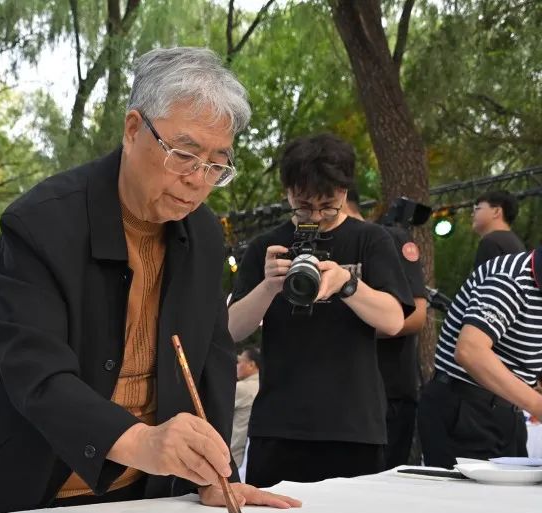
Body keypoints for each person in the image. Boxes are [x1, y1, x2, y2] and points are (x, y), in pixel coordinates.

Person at [0, 47, 300, 513]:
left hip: (136, 505)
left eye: (216, 165)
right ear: (132, 129)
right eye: (184, 155)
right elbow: (36, 374)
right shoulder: (41, 224)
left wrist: (215, 476)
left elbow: (211, 355)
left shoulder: (204, 235)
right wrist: (144, 441)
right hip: (17, 495)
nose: (197, 181)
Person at [228, 133, 414, 486]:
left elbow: (393, 321)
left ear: (344, 192)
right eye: (302, 205)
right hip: (279, 425)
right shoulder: (266, 246)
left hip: (353, 427)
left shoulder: (371, 240)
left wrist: (347, 282)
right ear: (287, 192)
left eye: (328, 205)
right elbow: (230, 330)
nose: (315, 215)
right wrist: (269, 285)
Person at [418, 249, 542, 468]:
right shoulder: (511, 278)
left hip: (508, 412)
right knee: (467, 500)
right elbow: (471, 350)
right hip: (465, 409)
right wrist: (536, 404)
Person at [345, 189, 428, 468]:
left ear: (340, 196)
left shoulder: (389, 238)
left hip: (389, 391)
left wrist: (356, 327)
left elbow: (417, 316)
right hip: (342, 395)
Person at [472, 190, 525, 269]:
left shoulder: (491, 241)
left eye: (478, 209)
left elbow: (486, 280)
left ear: (496, 211)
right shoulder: (516, 243)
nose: (472, 214)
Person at [230, 346, 260, 467]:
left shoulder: (243, 388)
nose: (236, 366)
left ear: (251, 365)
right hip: (250, 457)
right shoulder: (262, 387)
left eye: (239, 362)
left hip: (234, 456)